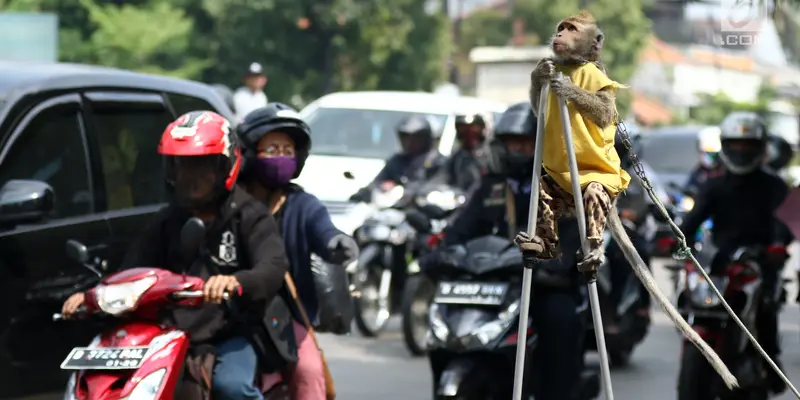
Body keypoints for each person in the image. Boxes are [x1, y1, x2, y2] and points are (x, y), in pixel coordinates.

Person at [61, 111, 290, 400]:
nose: (189, 176)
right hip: (165, 334)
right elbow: (133, 268)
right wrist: (91, 295)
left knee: (232, 389)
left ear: (225, 167)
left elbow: (272, 265)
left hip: (227, 334)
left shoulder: (249, 215)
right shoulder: (166, 220)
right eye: (181, 166)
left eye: (201, 166)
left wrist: (235, 282)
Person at [431, 102, 586, 400]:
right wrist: (441, 252)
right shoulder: (492, 185)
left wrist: (554, 264)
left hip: (542, 284)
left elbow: (571, 239)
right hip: (496, 282)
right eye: (512, 142)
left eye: (526, 143)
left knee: (561, 319)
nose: (518, 149)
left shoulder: (560, 187)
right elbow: (461, 229)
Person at [237, 103, 359, 399]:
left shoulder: (303, 204)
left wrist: (337, 244)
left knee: (309, 372)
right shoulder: (231, 202)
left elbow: (324, 232)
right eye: (272, 149)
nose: (281, 157)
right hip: (232, 311)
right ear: (250, 152)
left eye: (287, 150)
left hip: (285, 314)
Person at [679, 112, 791, 395]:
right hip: (720, 262)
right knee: (690, 299)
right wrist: (675, 240)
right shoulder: (714, 185)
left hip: (762, 260)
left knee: (765, 305)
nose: (741, 151)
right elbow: (691, 223)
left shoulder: (775, 186)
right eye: (735, 145)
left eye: (748, 146)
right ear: (725, 146)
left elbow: (784, 223)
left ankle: (770, 361)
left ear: (760, 148)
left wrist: (777, 246)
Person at [349, 115, 446, 202]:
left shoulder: (437, 162)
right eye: (405, 137)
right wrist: (367, 192)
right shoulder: (398, 160)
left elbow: (436, 187)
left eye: (414, 138)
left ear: (424, 138)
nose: (408, 142)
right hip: (392, 210)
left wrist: (403, 190)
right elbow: (378, 182)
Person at [427, 113, 490, 192]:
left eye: (473, 128)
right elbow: (442, 177)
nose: (469, 133)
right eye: (463, 128)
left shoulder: (491, 155)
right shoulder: (457, 157)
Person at [684, 132, 724, 196]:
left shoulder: (725, 171)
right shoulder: (699, 172)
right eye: (704, 153)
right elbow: (689, 188)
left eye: (712, 154)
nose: (707, 157)